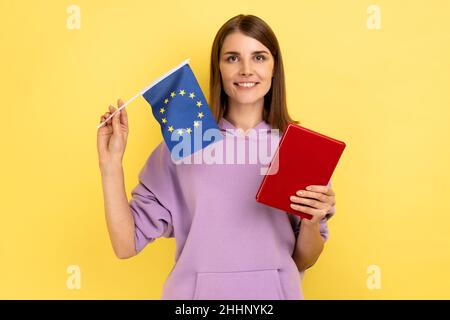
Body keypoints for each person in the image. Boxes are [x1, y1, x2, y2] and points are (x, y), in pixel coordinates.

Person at [97, 14, 336, 300]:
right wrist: (110, 166)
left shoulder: (299, 150)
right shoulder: (187, 142)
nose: (246, 70)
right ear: (218, 68)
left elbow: (303, 259)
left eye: (259, 57)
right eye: (232, 58)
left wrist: (311, 220)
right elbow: (126, 245)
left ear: (274, 67)